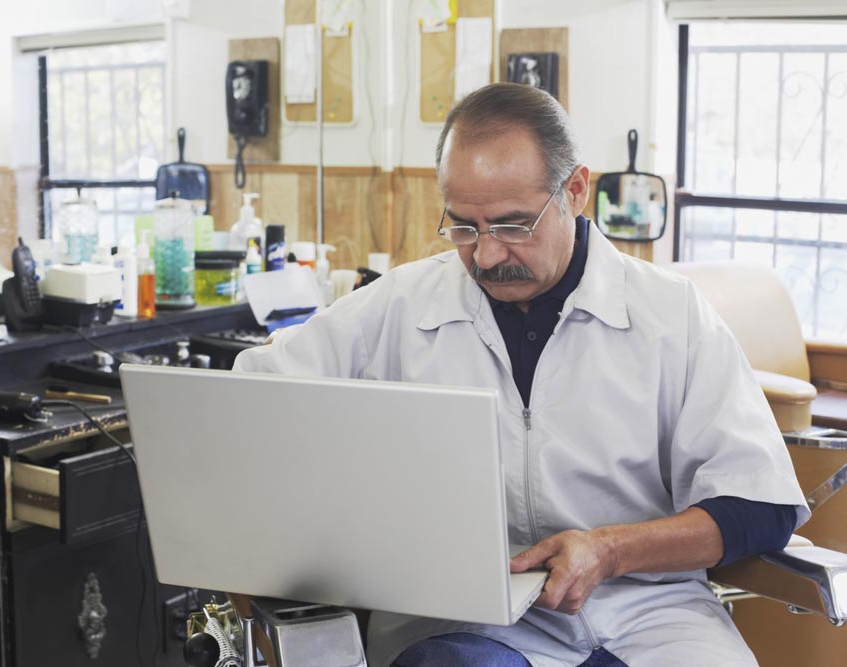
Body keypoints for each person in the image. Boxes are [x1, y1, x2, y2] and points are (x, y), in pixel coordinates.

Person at [232, 83, 809, 667]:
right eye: (463, 227)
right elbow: (248, 399)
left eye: (511, 225)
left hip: (649, 616)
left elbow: (760, 506)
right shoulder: (404, 305)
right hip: (472, 626)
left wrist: (609, 551)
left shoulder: (671, 315)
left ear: (576, 191)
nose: (484, 255)